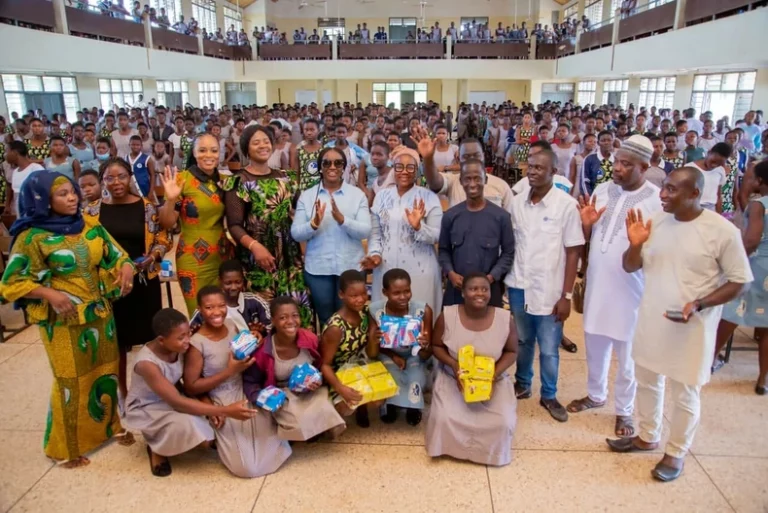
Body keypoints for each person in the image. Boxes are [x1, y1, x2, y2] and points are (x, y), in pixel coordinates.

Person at [0, 171, 134, 468]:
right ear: (42, 200)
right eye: (63, 194)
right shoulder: (32, 237)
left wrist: (125, 268)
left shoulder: (88, 224)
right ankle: (64, 449)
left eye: (73, 192)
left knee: (106, 372)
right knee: (70, 381)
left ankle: (109, 428)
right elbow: (10, 283)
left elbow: (116, 254)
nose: (73, 197)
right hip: (62, 321)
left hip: (99, 313)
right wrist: (48, 293)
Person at [567, 135, 662, 437]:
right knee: (594, 343)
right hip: (597, 283)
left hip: (631, 289)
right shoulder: (603, 189)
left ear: (644, 167)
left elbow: (655, 252)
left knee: (628, 356)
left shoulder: (655, 200)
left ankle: (624, 411)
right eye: (616, 162)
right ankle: (596, 395)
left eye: (625, 164)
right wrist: (586, 224)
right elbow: (590, 237)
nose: (617, 168)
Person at [123, 308, 257, 477]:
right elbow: (177, 402)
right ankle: (156, 448)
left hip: (175, 394)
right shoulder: (147, 364)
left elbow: (186, 385)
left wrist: (206, 404)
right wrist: (225, 410)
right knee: (189, 424)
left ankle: (165, 438)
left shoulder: (179, 347)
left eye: (188, 333)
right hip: (149, 405)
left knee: (208, 428)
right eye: (181, 337)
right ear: (161, 340)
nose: (188, 340)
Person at [85, 158, 172, 399]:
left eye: (121, 176)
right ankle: (122, 394)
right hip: (109, 286)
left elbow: (163, 239)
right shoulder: (91, 211)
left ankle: (150, 392)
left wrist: (153, 256)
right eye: (109, 178)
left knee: (150, 339)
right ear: (103, 181)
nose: (116, 183)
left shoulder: (146, 207)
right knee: (116, 343)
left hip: (144, 282)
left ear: (130, 177)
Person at [507, 149, 584, 422]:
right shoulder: (516, 204)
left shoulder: (565, 206)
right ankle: (523, 384)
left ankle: (549, 394)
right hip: (518, 285)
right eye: (530, 166)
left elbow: (573, 252)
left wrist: (566, 295)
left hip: (551, 290)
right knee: (524, 340)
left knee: (549, 347)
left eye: (540, 168)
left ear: (554, 172)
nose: (532, 171)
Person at [183, 286, 291, 477]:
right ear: (199, 309)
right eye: (209, 308)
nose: (217, 312)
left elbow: (243, 349)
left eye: (222, 306)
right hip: (222, 400)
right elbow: (191, 386)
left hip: (245, 389)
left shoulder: (232, 325)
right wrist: (229, 372)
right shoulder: (196, 344)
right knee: (247, 467)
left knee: (275, 446)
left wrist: (255, 338)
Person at [223, 125, 314, 327]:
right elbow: (235, 225)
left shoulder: (287, 178)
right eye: (256, 142)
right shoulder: (238, 181)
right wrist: (256, 247)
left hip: (291, 261)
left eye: (266, 141)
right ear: (246, 148)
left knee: (297, 314)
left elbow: (300, 216)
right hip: (259, 261)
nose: (262, 145)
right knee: (264, 320)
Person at [425, 273, 518, 466]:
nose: (480, 293)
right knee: (445, 418)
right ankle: (449, 448)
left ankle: (491, 454)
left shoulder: (504, 318)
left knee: (503, 422)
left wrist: (493, 374)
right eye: (473, 289)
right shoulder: (448, 315)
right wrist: (453, 365)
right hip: (454, 378)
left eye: (484, 289)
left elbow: (511, 351)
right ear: (463, 292)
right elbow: (436, 346)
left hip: (494, 380)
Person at [243, 296, 346, 441]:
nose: (290, 321)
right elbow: (249, 381)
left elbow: (322, 364)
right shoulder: (263, 351)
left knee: (325, 409)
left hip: (310, 390)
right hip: (283, 394)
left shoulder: (309, 339)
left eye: (295, 315)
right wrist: (260, 396)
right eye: (283, 317)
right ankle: (301, 431)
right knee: (297, 422)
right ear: (273, 321)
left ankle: (314, 428)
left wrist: (318, 380)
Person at [291, 147, 371, 327]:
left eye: (338, 162)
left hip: (351, 266)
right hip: (319, 269)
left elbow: (365, 230)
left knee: (350, 318)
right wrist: (313, 224)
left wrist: (343, 221)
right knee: (327, 319)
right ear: (320, 167)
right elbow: (296, 233)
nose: (332, 166)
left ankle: (351, 354)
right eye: (326, 163)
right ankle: (329, 354)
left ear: (344, 167)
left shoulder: (356, 195)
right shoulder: (308, 196)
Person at [362, 148, 443, 318]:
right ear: (393, 169)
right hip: (386, 267)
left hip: (420, 271)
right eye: (399, 167)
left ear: (417, 170)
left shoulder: (428, 198)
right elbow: (376, 235)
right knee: (387, 322)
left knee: (420, 320)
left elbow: (437, 236)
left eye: (410, 167)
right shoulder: (381, 196)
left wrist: (418, 227)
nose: (404, 172)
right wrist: (375, 255)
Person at [712, 160, 768, 393]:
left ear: (760, 181)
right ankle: (763, 379)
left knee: (730, 312)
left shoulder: (759, 205)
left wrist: (732, 263)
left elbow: (752, 240)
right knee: (766, 326)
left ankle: (707, 361)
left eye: (751, 177)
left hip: (758, 267)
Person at [158, 133, 230, 314]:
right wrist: (171, 199)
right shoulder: (181, 180)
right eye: (202, 150)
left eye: (214, 150)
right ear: (194, 153)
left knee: (222, 314)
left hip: (223, 256)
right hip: (192, 259)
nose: (209, 155)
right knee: (198, 314)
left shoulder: (225, 181)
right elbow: (167, 223)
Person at [439, 159, 514, 308]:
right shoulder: (450, 216)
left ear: (485, 179)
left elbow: (508, 253)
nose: (472, 184)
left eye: (477, 178)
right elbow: (443, 250)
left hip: (488, 292)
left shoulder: (501, 217)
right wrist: (451, 273)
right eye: (467, 179)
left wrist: (491, 278)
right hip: (457, 291)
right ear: (461, 181)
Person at [368, 269, 433, 425]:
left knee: (416, 377)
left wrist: (425, 345)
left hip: (414, 354)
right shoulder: (376, 311)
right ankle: (389, 405)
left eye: (407, 291)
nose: (403, 297)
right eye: (396, 293)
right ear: (385, 292)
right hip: (387, 353)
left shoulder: (422, 311)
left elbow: (426, 354)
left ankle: (413, 407)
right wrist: (375, 341)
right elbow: (372, 353)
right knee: (391, 376)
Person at [320, 270, 376, 426]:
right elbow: (324, 364)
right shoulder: (336, 328)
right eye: (353, 296)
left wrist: (373, 336)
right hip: (338, 373)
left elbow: (372, 351)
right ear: (341, 295)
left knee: (380, 398)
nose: (360, 299)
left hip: (358, 366)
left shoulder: (366, 313)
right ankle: (334, 409)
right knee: (344, 406)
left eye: (363, 294)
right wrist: (340, 388)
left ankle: (362, 407)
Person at [416, 129, 513, 212]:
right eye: (466, 157)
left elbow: (510, 222)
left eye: (476, 155)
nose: (471, 160)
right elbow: (434, 182)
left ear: (483, 156)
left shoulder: (501, 186)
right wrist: (428, 158)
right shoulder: (452, 181)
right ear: (458, 160)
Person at [686, 142, 730, 212]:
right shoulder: (689, 168)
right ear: (709, 152)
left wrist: (718, 216)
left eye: (719, 164)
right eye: (713, 161)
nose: (714, 166)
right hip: (691, 209)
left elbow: (718, 196)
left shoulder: (720, 170)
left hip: (711, 210)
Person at [6, 141, 45, 215]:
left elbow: (43, 193)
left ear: (14, 153)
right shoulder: (15, 172)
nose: (6, 155)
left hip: (34, 216)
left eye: (7, 151)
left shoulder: (36, 169)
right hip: (20, 216)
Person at [290, 118, 323, 192]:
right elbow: (296, 172)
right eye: (306, 130)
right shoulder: (299, 150)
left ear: (318, 130)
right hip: (304, 189)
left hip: (320, 189)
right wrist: (296, 190)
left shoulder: (324, 149)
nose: (309, 133)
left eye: (312, 130)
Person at [581, 130, 614, 196]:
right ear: (598, 143)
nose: (606, 143)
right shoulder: (590, 159)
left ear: (612, 141)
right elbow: (585, 181)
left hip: (612, 196)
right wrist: (590, 197)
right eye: (603, 140)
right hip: (595, 197)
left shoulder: (616, 159)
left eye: (609, 140)